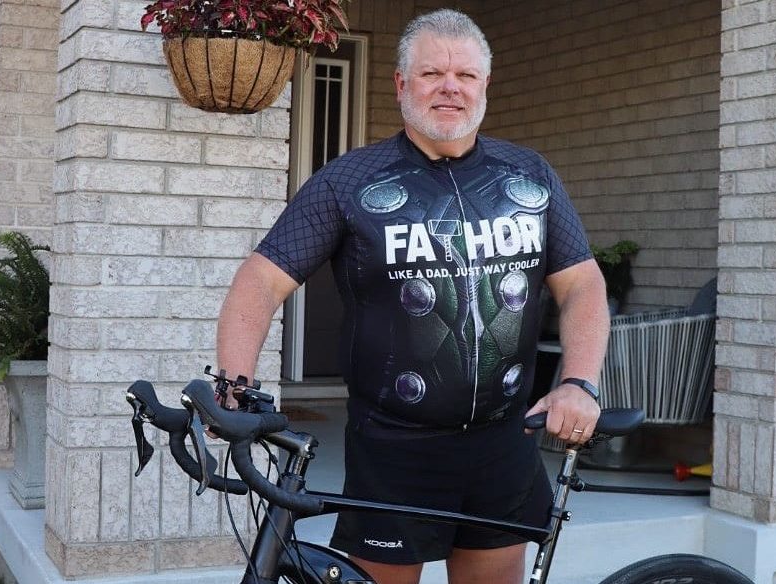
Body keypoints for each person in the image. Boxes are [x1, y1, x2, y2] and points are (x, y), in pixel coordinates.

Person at [215, 8, 609, 584]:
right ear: (402, 84)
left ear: (485, 87)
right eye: (432, 74)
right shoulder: (348, 181)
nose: (451, 87)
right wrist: (234, 389)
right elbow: (260, 281)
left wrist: (577, 382)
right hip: (394, 450)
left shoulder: (530, 174)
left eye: (466, 76)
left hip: (504, 445)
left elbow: (582, 284)